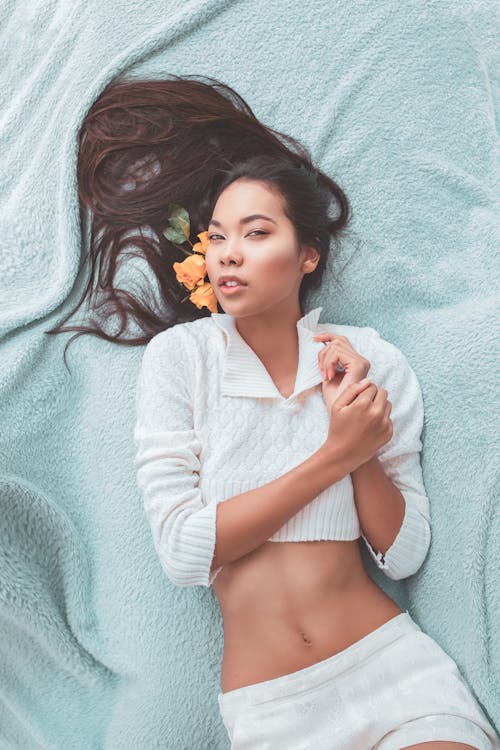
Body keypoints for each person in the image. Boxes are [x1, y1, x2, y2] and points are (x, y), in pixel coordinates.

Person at [48, 75, 500, 749]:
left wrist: (361, 439)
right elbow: (183, 550)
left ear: (306, 254)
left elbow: (403, 554)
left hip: (393, 672)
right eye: (218, 236)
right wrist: (334, 457)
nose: (229, 251)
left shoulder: (369, 360)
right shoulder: (181, 361)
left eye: (256, 233)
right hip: (275, 710)